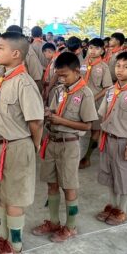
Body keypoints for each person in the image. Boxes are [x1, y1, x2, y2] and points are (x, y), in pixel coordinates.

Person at [0, 32, 43, 254]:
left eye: (1, 48)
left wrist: (33, 146)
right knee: (3, 193)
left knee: (15, 197)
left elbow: (36, 122)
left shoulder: (24, 83)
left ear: (15, 53)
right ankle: (4, 236)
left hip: (17, 146)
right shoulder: (1, 78)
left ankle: (15, 245)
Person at [33, 50, 97, 241]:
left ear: (77, 71)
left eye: (65, 75)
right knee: (51, 183)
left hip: (69, 145)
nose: (61, 79)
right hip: (52, 141)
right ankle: (54, 221)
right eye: (58, 75)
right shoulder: (60, 90)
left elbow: (87, 125)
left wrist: (60, 120)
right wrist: (48, 113)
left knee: (69, 186)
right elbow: (55, 110)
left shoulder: (85, 94)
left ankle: (70, 226)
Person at [93, 51, 127, 224]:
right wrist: (100, 134)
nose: (120, 70)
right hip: (108, 139)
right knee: (109, 174)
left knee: (125, 176)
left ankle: (122, 209)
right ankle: (112, 204)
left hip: (124, 142)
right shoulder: (111, 91)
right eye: (118, 66)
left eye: (126, 67)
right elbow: (103, 114)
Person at [79, 38, 112, 169]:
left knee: (95, 130)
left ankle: (87, 157)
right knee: (77, 127)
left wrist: (93, 99)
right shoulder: (82, 63)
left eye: (97, 48)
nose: (93, 51)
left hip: (96, 102)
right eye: (91, 47)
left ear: (102, 51)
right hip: (80, 100)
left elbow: (107, 87)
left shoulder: (104, 67)